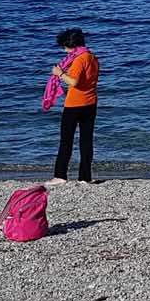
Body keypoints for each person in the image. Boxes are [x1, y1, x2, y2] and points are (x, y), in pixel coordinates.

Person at [48, 28, 100, 184]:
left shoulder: (78, 60)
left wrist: (60, 73)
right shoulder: (92, 57)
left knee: (66, 140)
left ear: (73, 45)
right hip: (91, 103)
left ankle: (60, 176)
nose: (64, 50)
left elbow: (74, 82)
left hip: (74, 104)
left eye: (66, 46)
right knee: (86, 140)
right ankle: (85, 177)